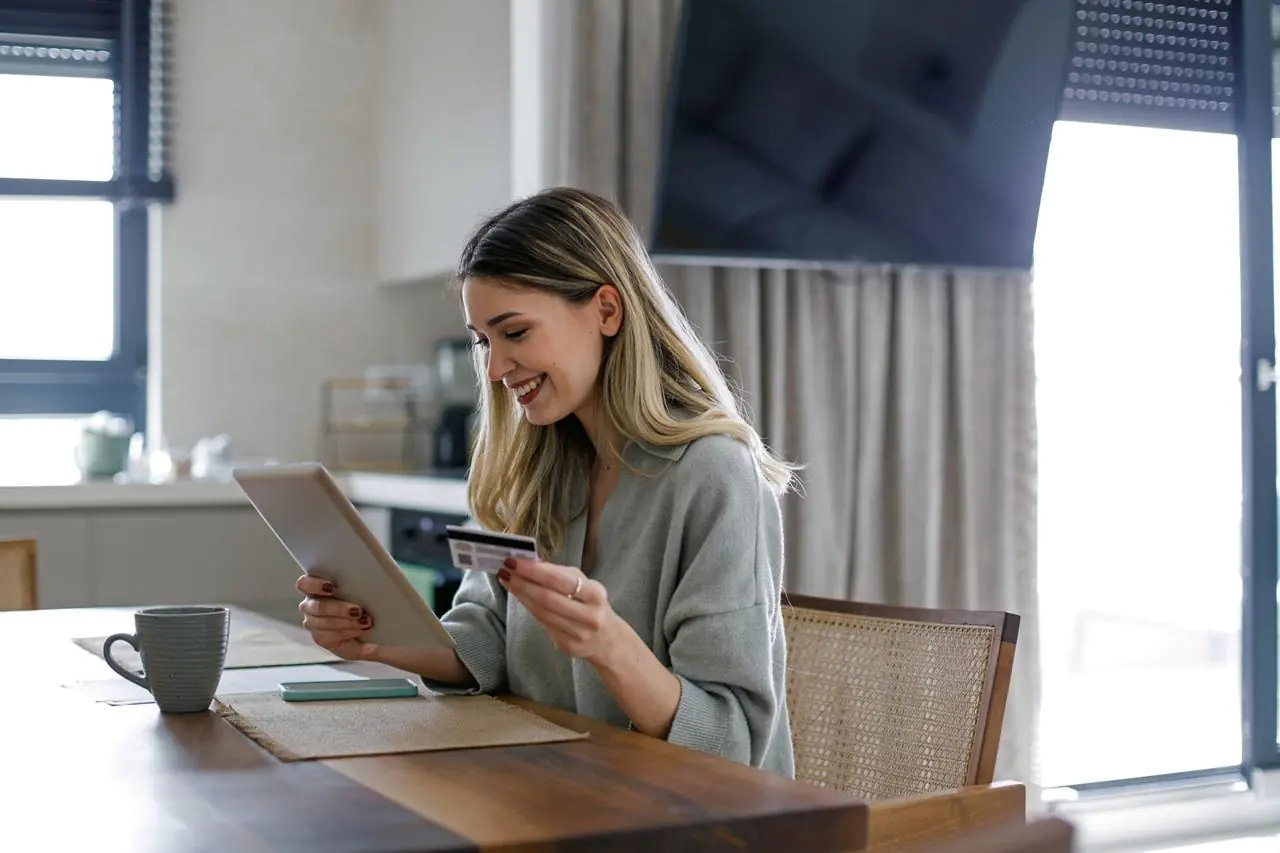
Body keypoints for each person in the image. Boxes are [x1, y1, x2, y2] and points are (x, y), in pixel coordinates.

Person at [296, 187, 798, 776]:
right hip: (561, 789)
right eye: (482, 340)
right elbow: (487, 640)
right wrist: (376, 635)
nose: (493, 368)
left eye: (514, 333)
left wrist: (608, 644)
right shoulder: (537, 468)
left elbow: (731, 741)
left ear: (607, 311)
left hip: (696, 818)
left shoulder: (714, 475)